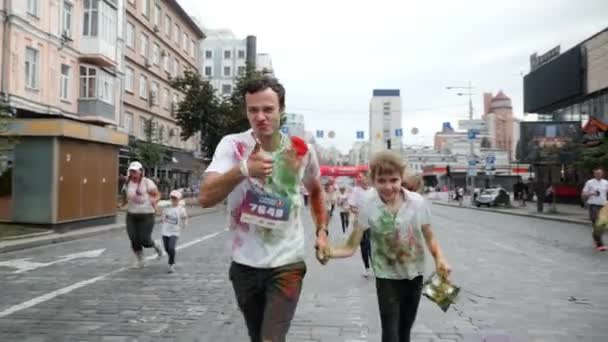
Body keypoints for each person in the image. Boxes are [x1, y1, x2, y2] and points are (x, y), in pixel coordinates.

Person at [199, 76, 328, 342]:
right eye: (253, 110)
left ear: (281, 110)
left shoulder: (301, 150)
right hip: (245, 265)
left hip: (286, 263)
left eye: (268, 109)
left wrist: (322, 231)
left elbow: (315, 190)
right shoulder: (232, 146)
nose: (260, 117)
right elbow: (205, 197)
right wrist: (244, 169)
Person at [323, 151, 451, 342]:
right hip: (386, 276)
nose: (388, 186)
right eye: (382, 180)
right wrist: (329, 252)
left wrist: (440, 259)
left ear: (401, 178)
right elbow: (351, 246)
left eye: (394, 180)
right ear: (373, 180)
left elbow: (429, 237)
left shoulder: (417, 203)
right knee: (390, 333)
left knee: (404, 331)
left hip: (414, 274)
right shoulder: (368, 204)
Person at [120, 161, 163, 268]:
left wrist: (154, 201)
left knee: (145, 240)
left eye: (135, 172)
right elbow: (126, 196)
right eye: (131, 172)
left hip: (147, 215)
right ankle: (141, 260)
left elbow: (157, 195)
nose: (133, 174)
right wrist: (121, 204)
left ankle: (156, 245)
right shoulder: (127, 182)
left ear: (141, 172)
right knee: (133, 238)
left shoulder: (147, 182)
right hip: (131, 215)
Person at [349, 173, 373, 278]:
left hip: (373, 223)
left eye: (365, 178)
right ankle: (367, 268)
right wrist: (360, 211)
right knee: (364, 245)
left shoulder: (373, 191)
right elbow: (352, 207)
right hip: (361, 223)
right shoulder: (356, 191)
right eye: (361, 179)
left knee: (373, 246)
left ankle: (376, 267)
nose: (364, 180)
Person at [160, 190, 188, 273]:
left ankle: (171, 264)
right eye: (172, 198)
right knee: (166, 248)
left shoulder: (181, 209)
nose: (173, 200)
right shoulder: (166, 207)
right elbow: (162, 215)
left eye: (175, 199)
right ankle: (171, 258)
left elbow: (184, 217)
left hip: (174, 232)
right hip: (165, 231)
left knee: (171, 248)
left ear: (179, 200)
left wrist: (184, 224)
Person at [582, 167, 608, 251]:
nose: (598, 175)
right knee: (597, 224)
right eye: (597, 173)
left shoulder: (606, 182)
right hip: (593, 206)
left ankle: (596, 239)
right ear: (594, 174)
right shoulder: (590, 182)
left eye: (600, 173)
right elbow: (584, 194)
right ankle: (600, 245)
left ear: (602, 174)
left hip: (603, 205)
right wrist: (591, 193)